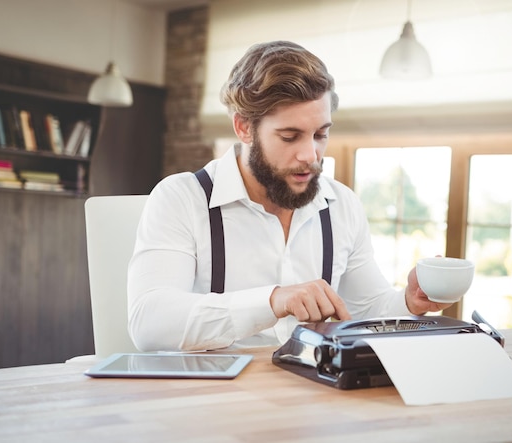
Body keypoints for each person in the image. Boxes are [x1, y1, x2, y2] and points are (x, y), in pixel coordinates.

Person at [127, 40, 451, 352]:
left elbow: (366, 310)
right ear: (243, 127)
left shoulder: (343, 206)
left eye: (320, 134)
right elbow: (150, 322)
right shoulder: (181, 199)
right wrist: (272, 300)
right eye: (289, 136)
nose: (310, 155)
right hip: (213, 399)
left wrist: (408, 301)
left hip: (311, 394)